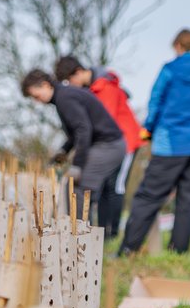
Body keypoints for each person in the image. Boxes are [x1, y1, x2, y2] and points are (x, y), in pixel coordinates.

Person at [118, 29, 190, 255]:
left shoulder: (170, 70)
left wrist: (148, 129)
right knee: (189, 200)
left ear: (178, 47)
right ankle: (178, 251)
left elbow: (156, 101)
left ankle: (128, 248)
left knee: (149, 196)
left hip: (171, 143)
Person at [21, 69, 126, 223]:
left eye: (36, 96)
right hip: (106, 144)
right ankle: (81, 236)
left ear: (45, 85)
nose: (37, 101)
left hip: (109, 145)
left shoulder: (65, 98)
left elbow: (84, 130)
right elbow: (76, 134)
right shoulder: (64, 95)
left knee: (77, 189)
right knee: (75, 188)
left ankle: (80, 242)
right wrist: (63, 151)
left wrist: (77, 165)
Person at [53, 56, 142, 238]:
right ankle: (102, 231)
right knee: (102, 187)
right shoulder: (92, 89)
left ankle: (111, 233)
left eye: (70, 81)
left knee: (115, 187)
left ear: (78, 72)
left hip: (126, 142)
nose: (70, 85)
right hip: (109, 145)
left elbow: (100, 123)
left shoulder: (105, 88)